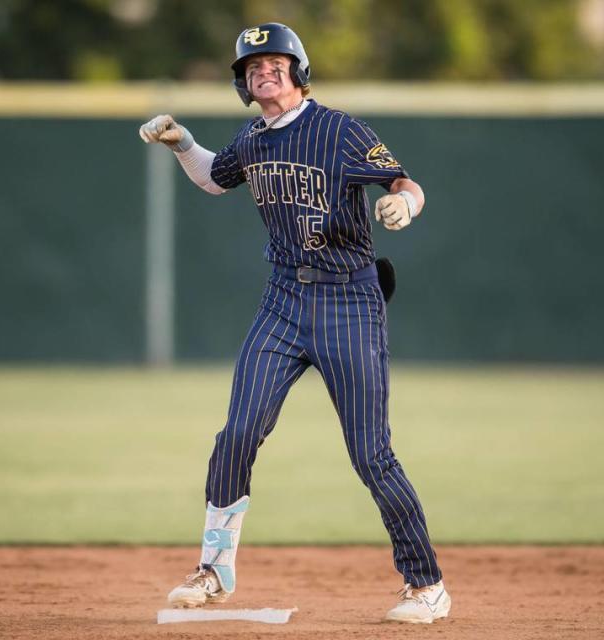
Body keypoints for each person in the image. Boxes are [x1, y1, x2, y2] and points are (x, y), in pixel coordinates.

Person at [139, 22, 450, 625]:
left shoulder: (339, 130)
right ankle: (213, 569)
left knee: (370, 454)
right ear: (244, 84)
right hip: (283, 301)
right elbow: (213, 178)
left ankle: (427, 583)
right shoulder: (253, 138)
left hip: (349, 302)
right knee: (236, 434)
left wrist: (405, 204)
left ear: (299, 69)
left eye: (275, 62)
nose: (265, 72)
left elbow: (403, 181)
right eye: (253, 67)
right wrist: (182, 144)